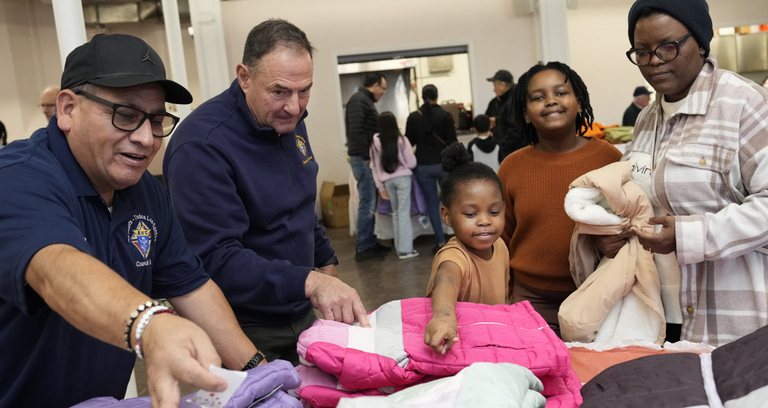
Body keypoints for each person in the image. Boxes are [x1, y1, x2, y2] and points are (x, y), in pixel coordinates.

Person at [0, 33, 262, 408]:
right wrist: (150, 325)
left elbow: (192, 289)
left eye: (156, 120)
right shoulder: (17, 178)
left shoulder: (144, 192)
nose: (145, 139)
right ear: (67, 109)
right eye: (125, 115)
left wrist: (259, 373)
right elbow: (56, 268)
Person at [163, 19, 370, 366]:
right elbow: (216, 260)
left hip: (300, 311)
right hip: (242, 328)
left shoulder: (287, 119)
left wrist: (326, 263)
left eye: (304, 90)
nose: (295, 106)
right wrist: (310, 282)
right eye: (279, 91)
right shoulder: (201, 146)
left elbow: (301, 206)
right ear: (244, 77)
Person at [592, 0, 768, 347]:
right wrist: (612, 232)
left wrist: (688, 235)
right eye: (641, 52)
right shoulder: (646, 120)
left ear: (701, 42)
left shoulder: (743, 104)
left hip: (730, 317)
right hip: (659, 314)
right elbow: (641, 197)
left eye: (668, 47)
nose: (654, 60)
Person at [498, 61, 622, 337]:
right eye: (538, 97)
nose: (550, 101)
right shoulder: (511, 166)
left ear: (579, 103)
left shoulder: (609, 158)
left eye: (560, 92)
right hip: (529, 300)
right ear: (526, 114)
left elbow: (627, 220)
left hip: (595, 293)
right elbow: (501, 238)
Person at [424, 142, 509, 354]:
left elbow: (505, 297)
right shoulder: (454, 256)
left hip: (492, 341)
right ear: (447, 216)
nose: (484, 221)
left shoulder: (500, 245)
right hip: (456, 345)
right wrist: (444, 316)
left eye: (494, 212)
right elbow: (447, 280)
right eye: (471, 214)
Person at [405, 84, 457, 254]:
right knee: (451, 202)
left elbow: (408, 143)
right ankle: (459, 239)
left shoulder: (413, 117)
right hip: (443, 165)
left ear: (422, 97)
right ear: (437, 96)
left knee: (432, 204)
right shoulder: (445, 115)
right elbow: (452, 143)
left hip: (423, 166)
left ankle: (441, 242)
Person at [345, 71, 390, 261]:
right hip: (363, 160)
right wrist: (366, 157)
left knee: (370, 203)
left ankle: (370, 242)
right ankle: (363, 247)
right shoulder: (358, 100)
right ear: (375, 85)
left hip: (366, 159)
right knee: (368, 203)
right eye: (383, 88)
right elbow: (355, 131)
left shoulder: (364, 100)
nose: (384, 92)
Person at [369, 112, 418, 259]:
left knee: (396, 214)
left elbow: (374, 167)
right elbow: (412, 163)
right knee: (403, 213)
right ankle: (406, 250)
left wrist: (380, 187)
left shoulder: (375, 144)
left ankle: (399, 248)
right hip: (403, 179)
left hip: (387, 181)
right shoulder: (402, 140)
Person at [484, 69, 514, 134]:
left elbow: (514, 127)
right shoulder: (493, 103)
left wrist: (497, 120)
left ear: (503, 85)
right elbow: (486, 122)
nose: (494, 90)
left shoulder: (515, 101)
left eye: (495, 86)